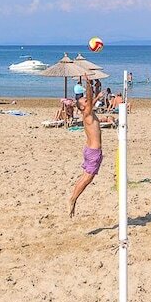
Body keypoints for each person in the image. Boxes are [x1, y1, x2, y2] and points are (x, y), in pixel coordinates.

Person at [68, 75, 103, 217]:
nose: (86, 99)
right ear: (82, 107)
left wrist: (96, 94)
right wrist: (88, 85)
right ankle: (73, 199)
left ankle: (73, 198)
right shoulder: (87, 114)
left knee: (85, 177)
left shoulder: (88, 112)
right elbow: (89, 98)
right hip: (93, 151)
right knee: (88, 178)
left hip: (90, 150)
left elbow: (91, 101)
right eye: (84, 100)